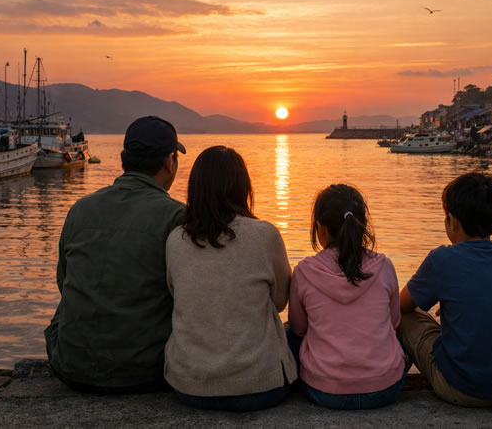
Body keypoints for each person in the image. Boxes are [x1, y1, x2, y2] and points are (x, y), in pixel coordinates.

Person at [45, 116, 185, 393]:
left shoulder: (80, 209)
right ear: (169, 161)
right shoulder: (177, 217)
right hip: (147, 372)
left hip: (71, 367)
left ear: (124, 159)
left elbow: (63, 281)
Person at [398, 172, 492, 406]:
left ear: (453, 221)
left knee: (407, 317)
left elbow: (401, 305)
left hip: (460, 388)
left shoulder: (441, 259)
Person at [164, 145, 296, 411]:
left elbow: (176, 295)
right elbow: (281, 301)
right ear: (242, 187)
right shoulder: (265, 235)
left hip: (190, 386)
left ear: (196, 188)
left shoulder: (175, 240)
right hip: (261, 387)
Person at [288, 184, 406, 409]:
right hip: (385, 389)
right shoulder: (384, 266)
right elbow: (393, 322)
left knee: (290, 332)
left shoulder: (304, 271)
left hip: (324, 390)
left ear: (320, 230)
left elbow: (298, 329)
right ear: (362, 226)